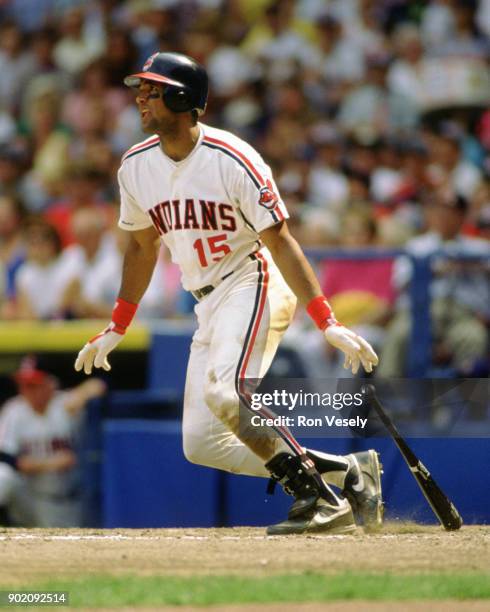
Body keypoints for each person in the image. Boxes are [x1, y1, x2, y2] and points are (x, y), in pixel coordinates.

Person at [75, 52, 381, 535]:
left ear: (181, 97)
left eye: (152, 90)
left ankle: (321, 500)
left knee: (227, 393)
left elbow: (280, 240)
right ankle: (349, 472)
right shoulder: (135, 166)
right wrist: (119, 323)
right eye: (142, 89)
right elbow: (140, 245)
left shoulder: (233, 157)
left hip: (251, 279)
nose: (140, 97)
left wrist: (327, 321)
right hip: (206, 300)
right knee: (202, 444)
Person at [0, 356, 106, 527]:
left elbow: (101, 383)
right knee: (3, 474)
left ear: (51, 384)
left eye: (34, 384)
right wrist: (47, 464)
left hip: (70, 500)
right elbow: (6, 459)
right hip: (30, 498)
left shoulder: (66, 404)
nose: (26, 390)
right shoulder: (15, 410)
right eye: (23, 384)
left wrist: (81, 395)